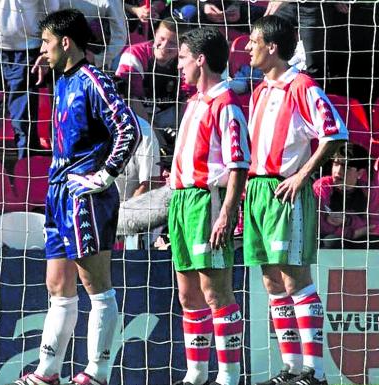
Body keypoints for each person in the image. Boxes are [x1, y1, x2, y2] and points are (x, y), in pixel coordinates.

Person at [7, 9, 141, 385]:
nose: (42, 50)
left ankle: (97, 373)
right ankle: (47, 372)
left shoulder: (93, 80)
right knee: (57, 285)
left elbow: (128, 129)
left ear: (66, 43)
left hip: (86, 197)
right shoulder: (62, 79)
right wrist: (47, 67)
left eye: (47, 43)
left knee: (95, 285)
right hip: (58, 193)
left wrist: (104, 175)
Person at [244, 15, 348, 385]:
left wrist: (303, 175)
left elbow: (334, 132)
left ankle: (315, 372)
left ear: (272, 47)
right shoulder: (258, 92)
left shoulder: (301, 86)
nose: (246, 46)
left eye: (253, 41)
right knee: (271, 282)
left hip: (286, 190)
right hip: (257, 192)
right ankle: (291, 369)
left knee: (295, 279)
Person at [168, 27, 250, 385]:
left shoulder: (226, 104)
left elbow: (239, 164)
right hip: (181, 201)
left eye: (183, 57)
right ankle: (196, 374)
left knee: (215, 291)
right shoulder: (193, 103)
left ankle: (229, 376)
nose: (178, 66)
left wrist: (227, 211)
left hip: (207, 201)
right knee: (188, 295)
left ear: (200, 60)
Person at [0, 0, 59, 159]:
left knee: (24, 120)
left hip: (26, 52)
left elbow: (51, 14)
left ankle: (26, 169)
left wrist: (45, 50)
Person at [115, 18, 185, 130]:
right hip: (138, 115)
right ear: (155, 33)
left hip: (169, 115)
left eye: (172, 43)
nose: (164, 46)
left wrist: (181, 131)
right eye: (162, 38)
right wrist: (151, 132)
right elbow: (130, 97)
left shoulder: (185, 60)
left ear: (181, 45)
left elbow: (188, 97)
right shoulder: (134, 54)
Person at [313, 144, 379, 249]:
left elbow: (375, 224)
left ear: (360, 173)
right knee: (331, 242)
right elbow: (319, 225)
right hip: (334, 237)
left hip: (359, 236)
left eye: (346, 167)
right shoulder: (321, 187)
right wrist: (352, 233)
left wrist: (348, 221)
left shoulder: (369, 191)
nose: (338, 171)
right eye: (335, 164)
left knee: (375, 241)